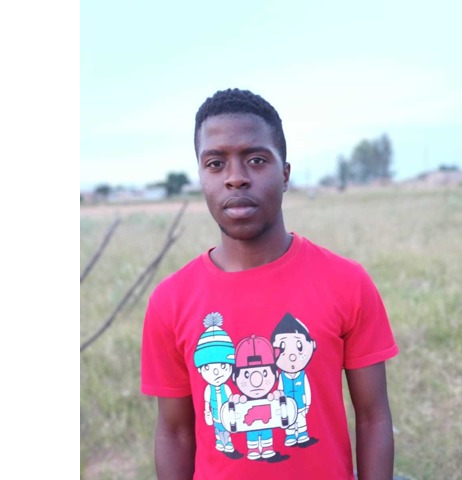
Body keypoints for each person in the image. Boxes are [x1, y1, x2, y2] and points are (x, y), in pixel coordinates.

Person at [140, 88, 399, 480]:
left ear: (285, 174)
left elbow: (373, 417)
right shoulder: (170, 301)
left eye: (256, 160)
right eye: (215, 164)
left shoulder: (347, 282)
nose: (236, 178)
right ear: (202, 177)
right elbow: (175, 433)